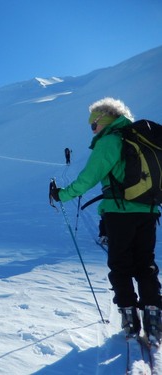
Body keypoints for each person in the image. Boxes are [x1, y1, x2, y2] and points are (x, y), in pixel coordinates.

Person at [50, 97, 162, 340]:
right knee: (146, 263)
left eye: (93, 125)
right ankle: (154, 317)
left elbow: (88, 178)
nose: (92, 130)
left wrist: (62, 195)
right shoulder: (141, 139)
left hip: (120, 213)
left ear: (103, 120)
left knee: (121, 264)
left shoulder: (111, 140)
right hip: (149, 210)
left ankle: (130, 319)